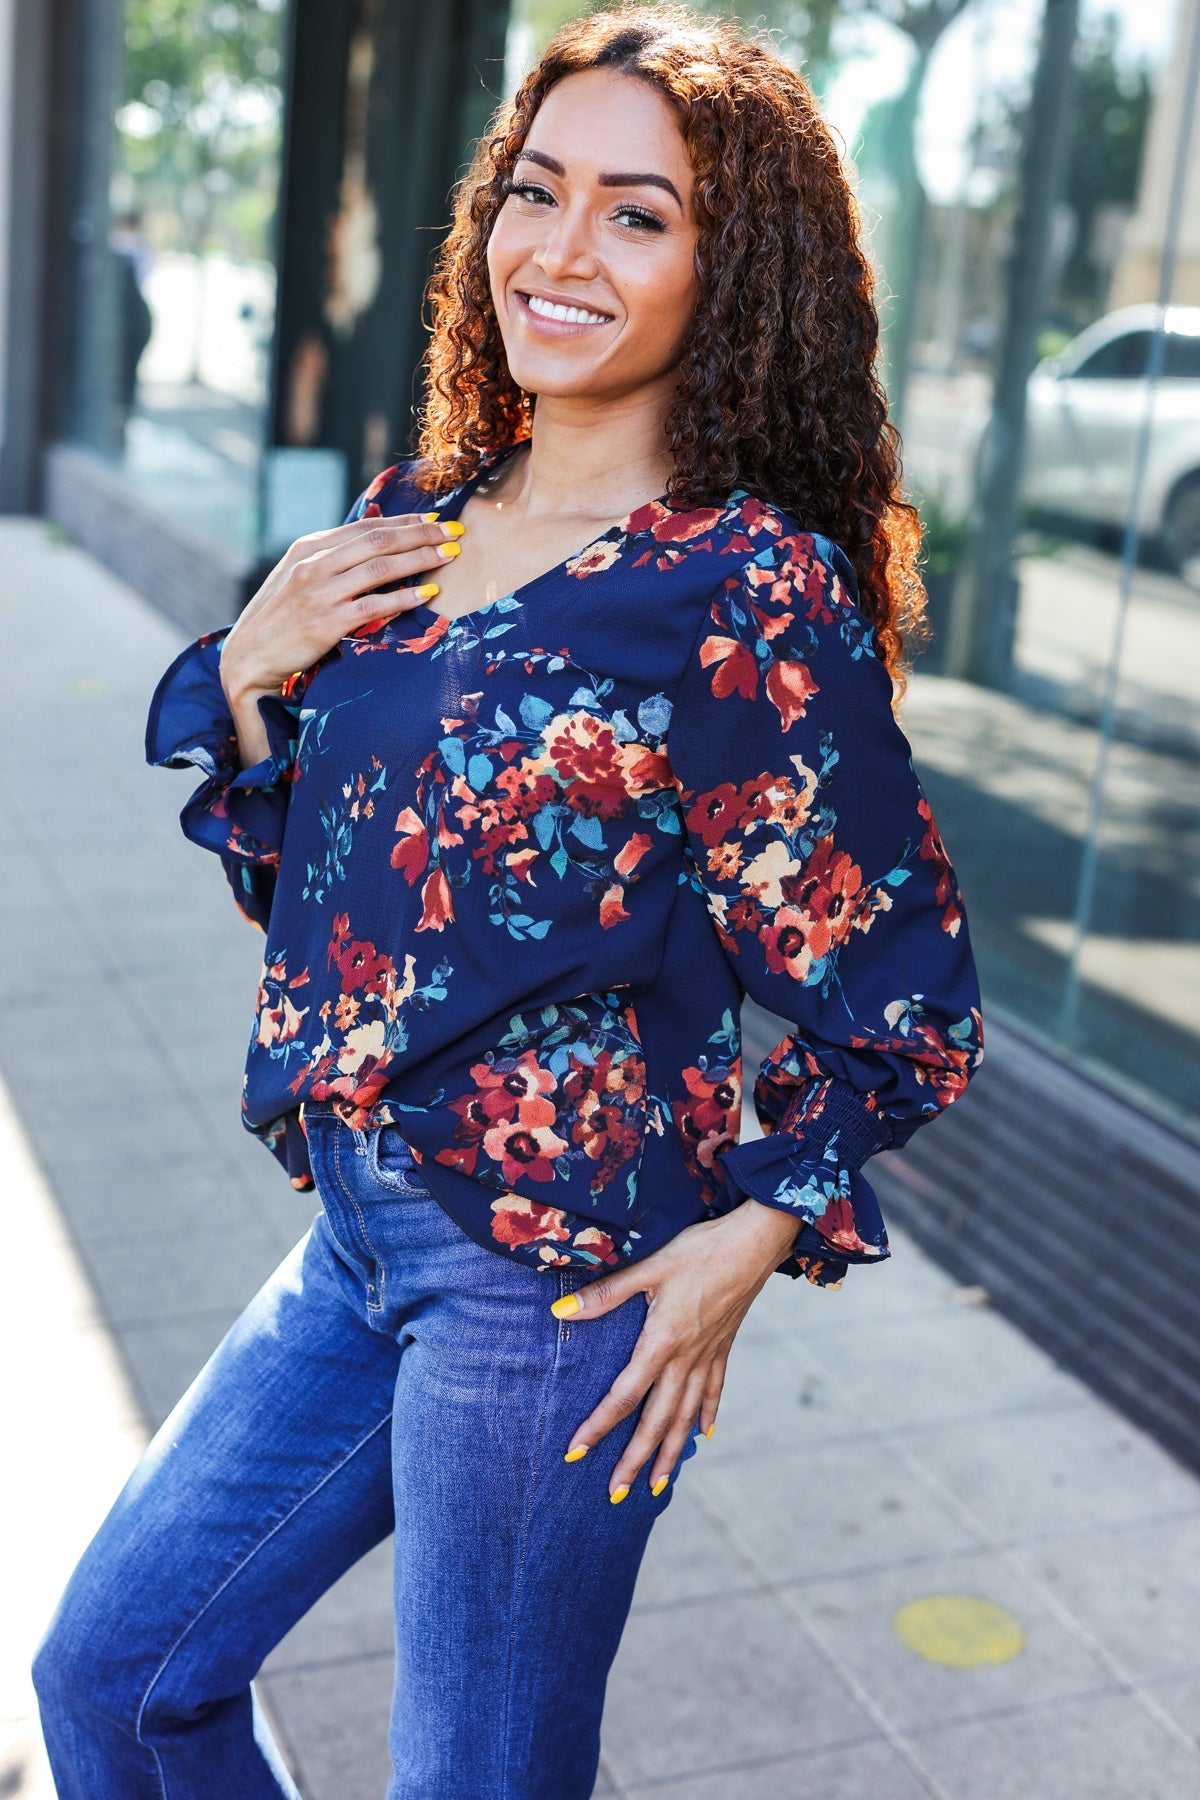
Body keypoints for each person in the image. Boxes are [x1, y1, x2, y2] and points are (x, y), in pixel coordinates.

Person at [32, 7, 983, 1797]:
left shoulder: (739, 589)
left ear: (732, 269)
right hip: (360, 1234)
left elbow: (908, 1006)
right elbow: (331, 909)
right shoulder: (415, 525)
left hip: (562, 1285)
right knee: (115, 1675)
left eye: (639, 214)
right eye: (538, 192)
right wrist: (250, 674)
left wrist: (754, 1235)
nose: (561, 249)